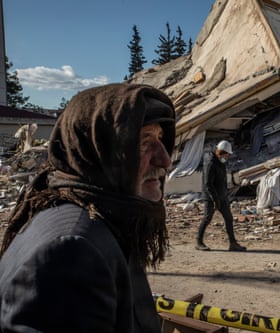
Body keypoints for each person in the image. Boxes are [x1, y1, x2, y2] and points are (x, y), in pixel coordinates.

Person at [0, 83, 175, 332]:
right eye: (144, 141)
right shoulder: (71, 251)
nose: (165, 159)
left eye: (160, 139)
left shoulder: (105, 219)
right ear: (97, 150)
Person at [195, 140, 246, 252]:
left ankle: (233, 244)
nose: (227, 157)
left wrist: (223, 196)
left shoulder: (220, 161)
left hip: (221, 196)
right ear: (220, 152)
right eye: (226, 154)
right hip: (211, 197)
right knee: (207, 218)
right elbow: (208, 184)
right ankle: (199, 242)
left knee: (229, 218)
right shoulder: (211, 163)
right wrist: (214, 199)